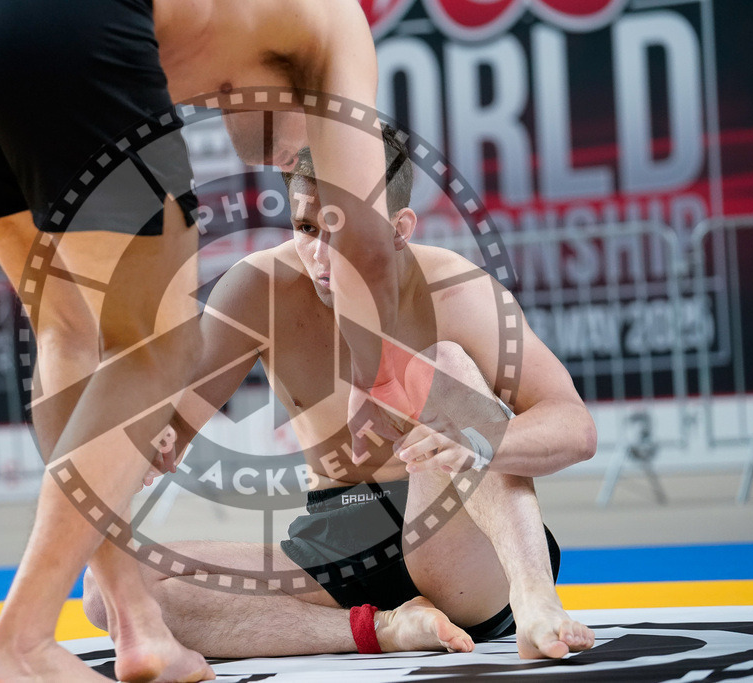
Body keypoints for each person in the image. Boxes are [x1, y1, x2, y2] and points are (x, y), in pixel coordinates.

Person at [0, 0, 407, 680]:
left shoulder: (233, 30)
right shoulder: (339, 26)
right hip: (57, 23)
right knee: (160, 342)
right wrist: (381, 386)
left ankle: (136, 622)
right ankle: (22, 641)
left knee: (68, 331)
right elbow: (367, 244)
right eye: (310, 144)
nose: (300, 161)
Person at [81, 127, 597, 661]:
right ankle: (387, 628)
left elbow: (575, 429)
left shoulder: (457, 290)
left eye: (345, 231)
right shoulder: (259, 288)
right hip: (336, 534)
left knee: (440, 362)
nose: (322, 254)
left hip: (459, 538)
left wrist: (477, 443)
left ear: (399, 229)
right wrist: (127, 444)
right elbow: (164, 430)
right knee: (111, 591)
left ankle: (535, 599)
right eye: (307, 228)